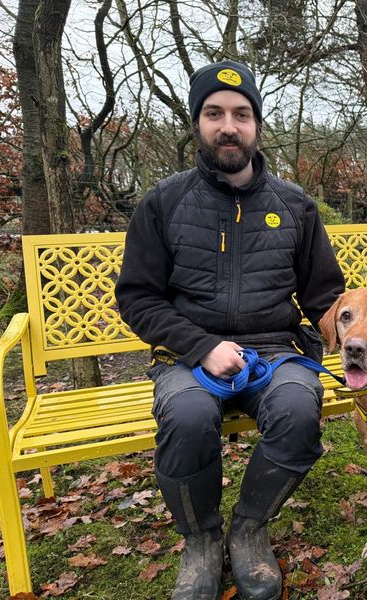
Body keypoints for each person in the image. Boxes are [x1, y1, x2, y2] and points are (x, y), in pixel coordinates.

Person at [116, 60, 345, 600]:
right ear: (197, 123)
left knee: (297, 409)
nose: (229, 126)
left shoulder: (295, 206)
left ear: (257, 125)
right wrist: (200, 347)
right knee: (190, 415)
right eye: (214, 113)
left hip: (274, 348)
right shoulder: (163, 203)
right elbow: (137, 297)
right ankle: (200, 538)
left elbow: (324, 297)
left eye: (241, 114)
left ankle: (248, 528)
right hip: (187, 352)